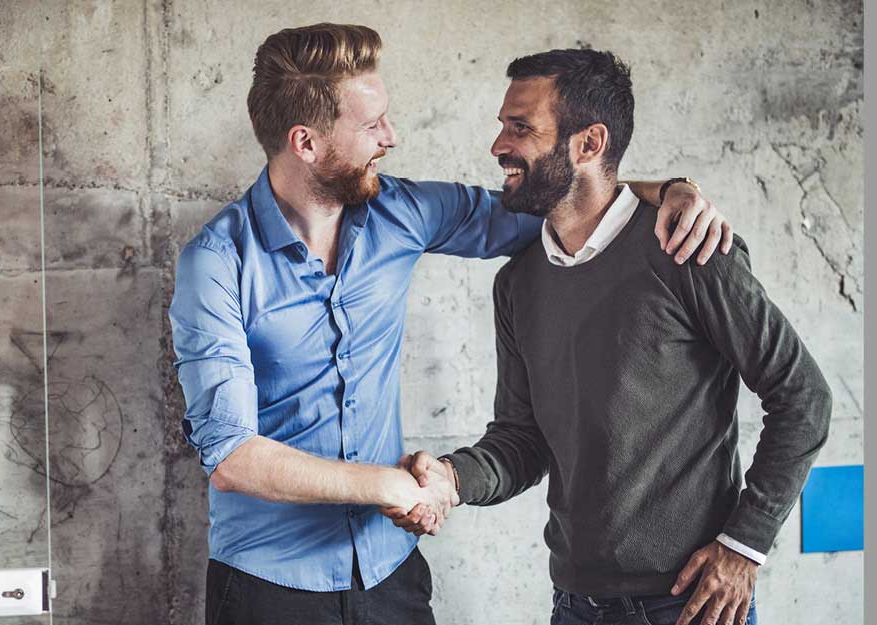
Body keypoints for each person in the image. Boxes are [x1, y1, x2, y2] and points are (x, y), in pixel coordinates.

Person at [170, 24, 732, 625]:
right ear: (305, 143)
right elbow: (232, 456)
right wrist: (388, 488)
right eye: (370, 126)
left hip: (391, 573)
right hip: (268, 584)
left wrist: (668, 189)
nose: (391, 137)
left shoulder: (400, 211)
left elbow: (556, 210)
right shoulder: (215, 263)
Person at [387, 49, 832, 625]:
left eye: (520, 128)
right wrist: (451, 478)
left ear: (588, 143)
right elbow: (522, 440)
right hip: (575, 606)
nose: (499, 145)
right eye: (502, 125)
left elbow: (804, 397)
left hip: (690, 605)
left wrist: (744, 546)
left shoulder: (686, 249)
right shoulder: (518, 283)